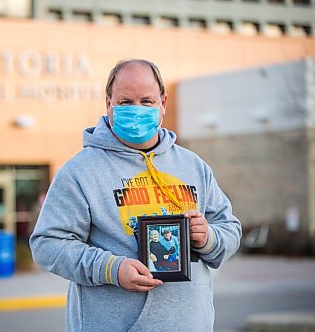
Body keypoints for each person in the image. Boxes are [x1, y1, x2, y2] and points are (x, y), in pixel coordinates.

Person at [29, 59, 242, 332]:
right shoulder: (79, 172)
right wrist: (111, 269)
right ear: (109, 104)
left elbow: (231, 228)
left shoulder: (193, 166)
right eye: (126, 101)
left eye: (147, 101)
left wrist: (208, 237)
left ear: (163, 103)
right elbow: (47, 244)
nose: (137, 109)